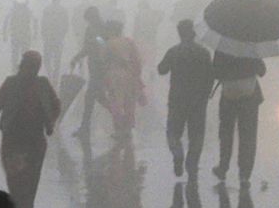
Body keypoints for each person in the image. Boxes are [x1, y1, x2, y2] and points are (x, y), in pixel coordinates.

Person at [0, 52, 60, 208]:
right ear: (23, 66)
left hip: (35, 139)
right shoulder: (11, 83)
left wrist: (50, 122)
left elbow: (56, 104)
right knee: (15, 177)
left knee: (32, 177)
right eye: (30, 66)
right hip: (13, 138)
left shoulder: (43, 84)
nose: (32, 71)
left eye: (35, 67)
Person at [157, 19, 214, 177]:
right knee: (197, 134)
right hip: (198, 100)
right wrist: (206, 93)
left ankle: (178, 154)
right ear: (194, 33)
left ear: (179, 33)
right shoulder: (204, 53)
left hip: (177, 99)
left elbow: (161, 69)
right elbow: (211, 76)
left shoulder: (174, 51)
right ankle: (192, 163)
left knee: (173, 132)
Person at [211, 50, 267, 185]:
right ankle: (245, 173)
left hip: (228, 96)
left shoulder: (222, 48)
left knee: (226, 133)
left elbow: (215, 72)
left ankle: (223, 167)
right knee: (248, 135)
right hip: (249, 96)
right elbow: (262, 71)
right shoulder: (251, 47)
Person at [100, 21, 144, 137]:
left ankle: (119, 129)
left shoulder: (109, 43)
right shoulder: (129, 42)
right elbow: (137, 60)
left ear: (111, 30)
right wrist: (137, 75)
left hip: (114, 75)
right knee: (130, 102)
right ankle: (128, 129)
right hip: (130, 74)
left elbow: (103, 59)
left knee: (116, 102)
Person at [67, 7, 106, 138]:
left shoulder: (100, 29)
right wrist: (76, 58)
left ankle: (85, 127)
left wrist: (96, 40)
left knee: (90, 97)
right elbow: (87, 47)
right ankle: (120, 119)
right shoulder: (93, 29)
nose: (88, 22)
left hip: (99, 67)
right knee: (99, 97)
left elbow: (103, 43)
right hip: (95, 66)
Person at [2, 0, 36, 72]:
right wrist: (4, 33)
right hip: (20, 35)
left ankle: (19, 71)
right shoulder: (17, 9)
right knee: (17, 55)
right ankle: (17, 71)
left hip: (21, 35)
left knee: (19, 55)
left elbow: (34, 20)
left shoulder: (19, 9)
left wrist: (4, 33)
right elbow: (6, 20)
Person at [40, 0, 68, 81]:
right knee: (56, 59)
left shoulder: (47, 9)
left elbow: (43, 23)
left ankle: (51, 75)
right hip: (56, 38)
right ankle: (54, 76)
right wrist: (62, 34)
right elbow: (66, 24)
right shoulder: (62, 10)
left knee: (48, 58)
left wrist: (44, 34)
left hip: (50, 37)